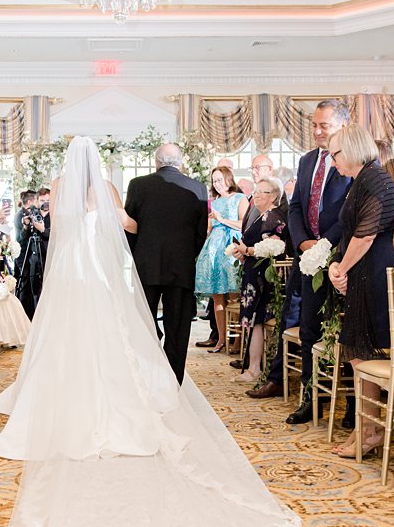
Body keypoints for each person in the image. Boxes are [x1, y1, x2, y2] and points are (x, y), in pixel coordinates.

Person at [0, 137, 299, 527]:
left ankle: (60, 392)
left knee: (62, 333)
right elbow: (126, 226)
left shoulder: (59, 184)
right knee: (111, 333)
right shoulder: (108, 189)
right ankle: (117, 391)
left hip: (69, 270)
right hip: (97, 271)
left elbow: (56, 229)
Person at [268, 100, 352, 421]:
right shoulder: (306, 161)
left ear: (342, 127)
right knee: (309, 330)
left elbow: (349, 211)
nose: (317, 131)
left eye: (324, 126)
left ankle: (352, 405)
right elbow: (295, 207)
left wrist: (326, 244)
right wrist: (305, 243)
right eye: (314, 125)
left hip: (342, 257)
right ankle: (311, 398)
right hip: (308, 258)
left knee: (346, 330)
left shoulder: (353, 161)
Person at [322, 125, 394, 457]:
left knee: (363, 353)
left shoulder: (375, 179)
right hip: (361, 273)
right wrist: (336, 266)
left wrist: (341, 268)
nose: (333, 162)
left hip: (371, 273)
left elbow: (366, 235)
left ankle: (370, 430)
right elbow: (349, 233)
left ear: (352, 149)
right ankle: (365, 428)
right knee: (358, 355)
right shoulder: (361, 180)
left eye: (335, 155)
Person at [124, 144, 210, 382]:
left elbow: (130, 226)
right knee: (179, 326)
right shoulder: (197, 187)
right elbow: (200, 233)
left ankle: (146, 375)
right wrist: (187, 255)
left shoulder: (138, 185)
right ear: (180, 163)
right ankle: (173, 380)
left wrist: (137, 253)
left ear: (156, 161)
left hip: (146, 264)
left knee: (144, 322)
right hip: (181, 266)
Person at [230, 177, 291, 382]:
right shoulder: (261, 216)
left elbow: (274, 247)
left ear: (273, 195)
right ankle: (253, 366)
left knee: (257, 320)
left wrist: (247, 250)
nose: (256, 196)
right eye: (255, 192)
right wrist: (243, 252)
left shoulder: (274, 216)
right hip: (253, 270)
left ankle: (255, 368)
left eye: (261, 192)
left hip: (263, 275)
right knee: (254, 321)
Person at [195, 166, 245, 353]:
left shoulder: (239, 199)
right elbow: (210, 228)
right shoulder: (214, 202)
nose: (217, 184)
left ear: (228, 179)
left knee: (233, 296)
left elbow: (243, 223)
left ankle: (238, 340)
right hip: (214, 249)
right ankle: (221, 339)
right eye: (214, 181)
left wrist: (221, 219)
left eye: (220, 180)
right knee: (217, 296)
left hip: (231, 248)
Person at [15, 187, 49, 317]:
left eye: (48, 200)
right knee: (30, 286)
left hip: (47, 256)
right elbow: (22, 238)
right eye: (42, 200)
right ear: (38, 201)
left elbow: (53, 234)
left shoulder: (54, 216)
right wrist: (26, 225)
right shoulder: (34, 214)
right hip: (32, 256)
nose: (45, 203)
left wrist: (42, 229)